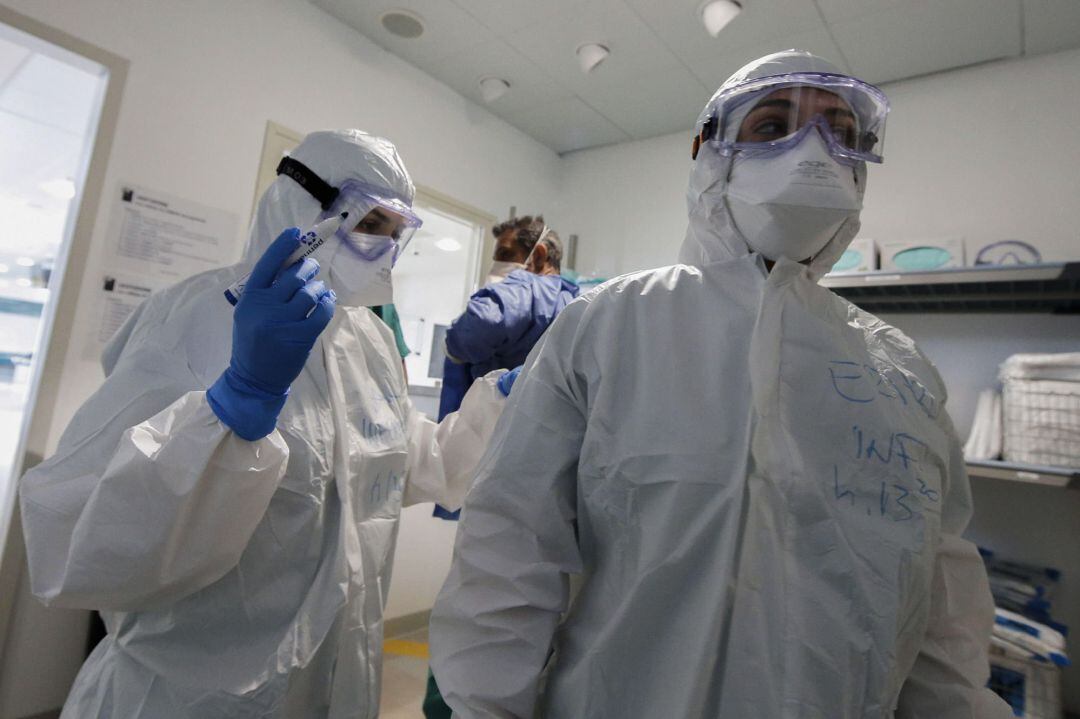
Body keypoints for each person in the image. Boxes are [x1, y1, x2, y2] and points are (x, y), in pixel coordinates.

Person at [429, 51, 1013, 718]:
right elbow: (509, 556)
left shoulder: (900, 371)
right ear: (709, 152)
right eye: (773, 126)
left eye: (841, 134)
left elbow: (941, 611)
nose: (814, 153)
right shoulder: (605, 328)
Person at [19, 130, 515, 718]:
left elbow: (405, 463)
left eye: (394, 232)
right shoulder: (193, 316)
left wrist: (498, 409)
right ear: (302, 207)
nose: (384, 249)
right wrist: (232, 409)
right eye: (369, 224)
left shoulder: (372, 341)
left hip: (335, 684)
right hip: (189, 696)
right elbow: (78, 541)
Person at [432, 216, 579, 519]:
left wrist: (453, 349)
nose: (497, 265)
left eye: (505, 254)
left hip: (494, 454)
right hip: (552, 463)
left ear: (537, 255)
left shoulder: (524, 287)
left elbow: (471, 332)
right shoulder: (575, 301)